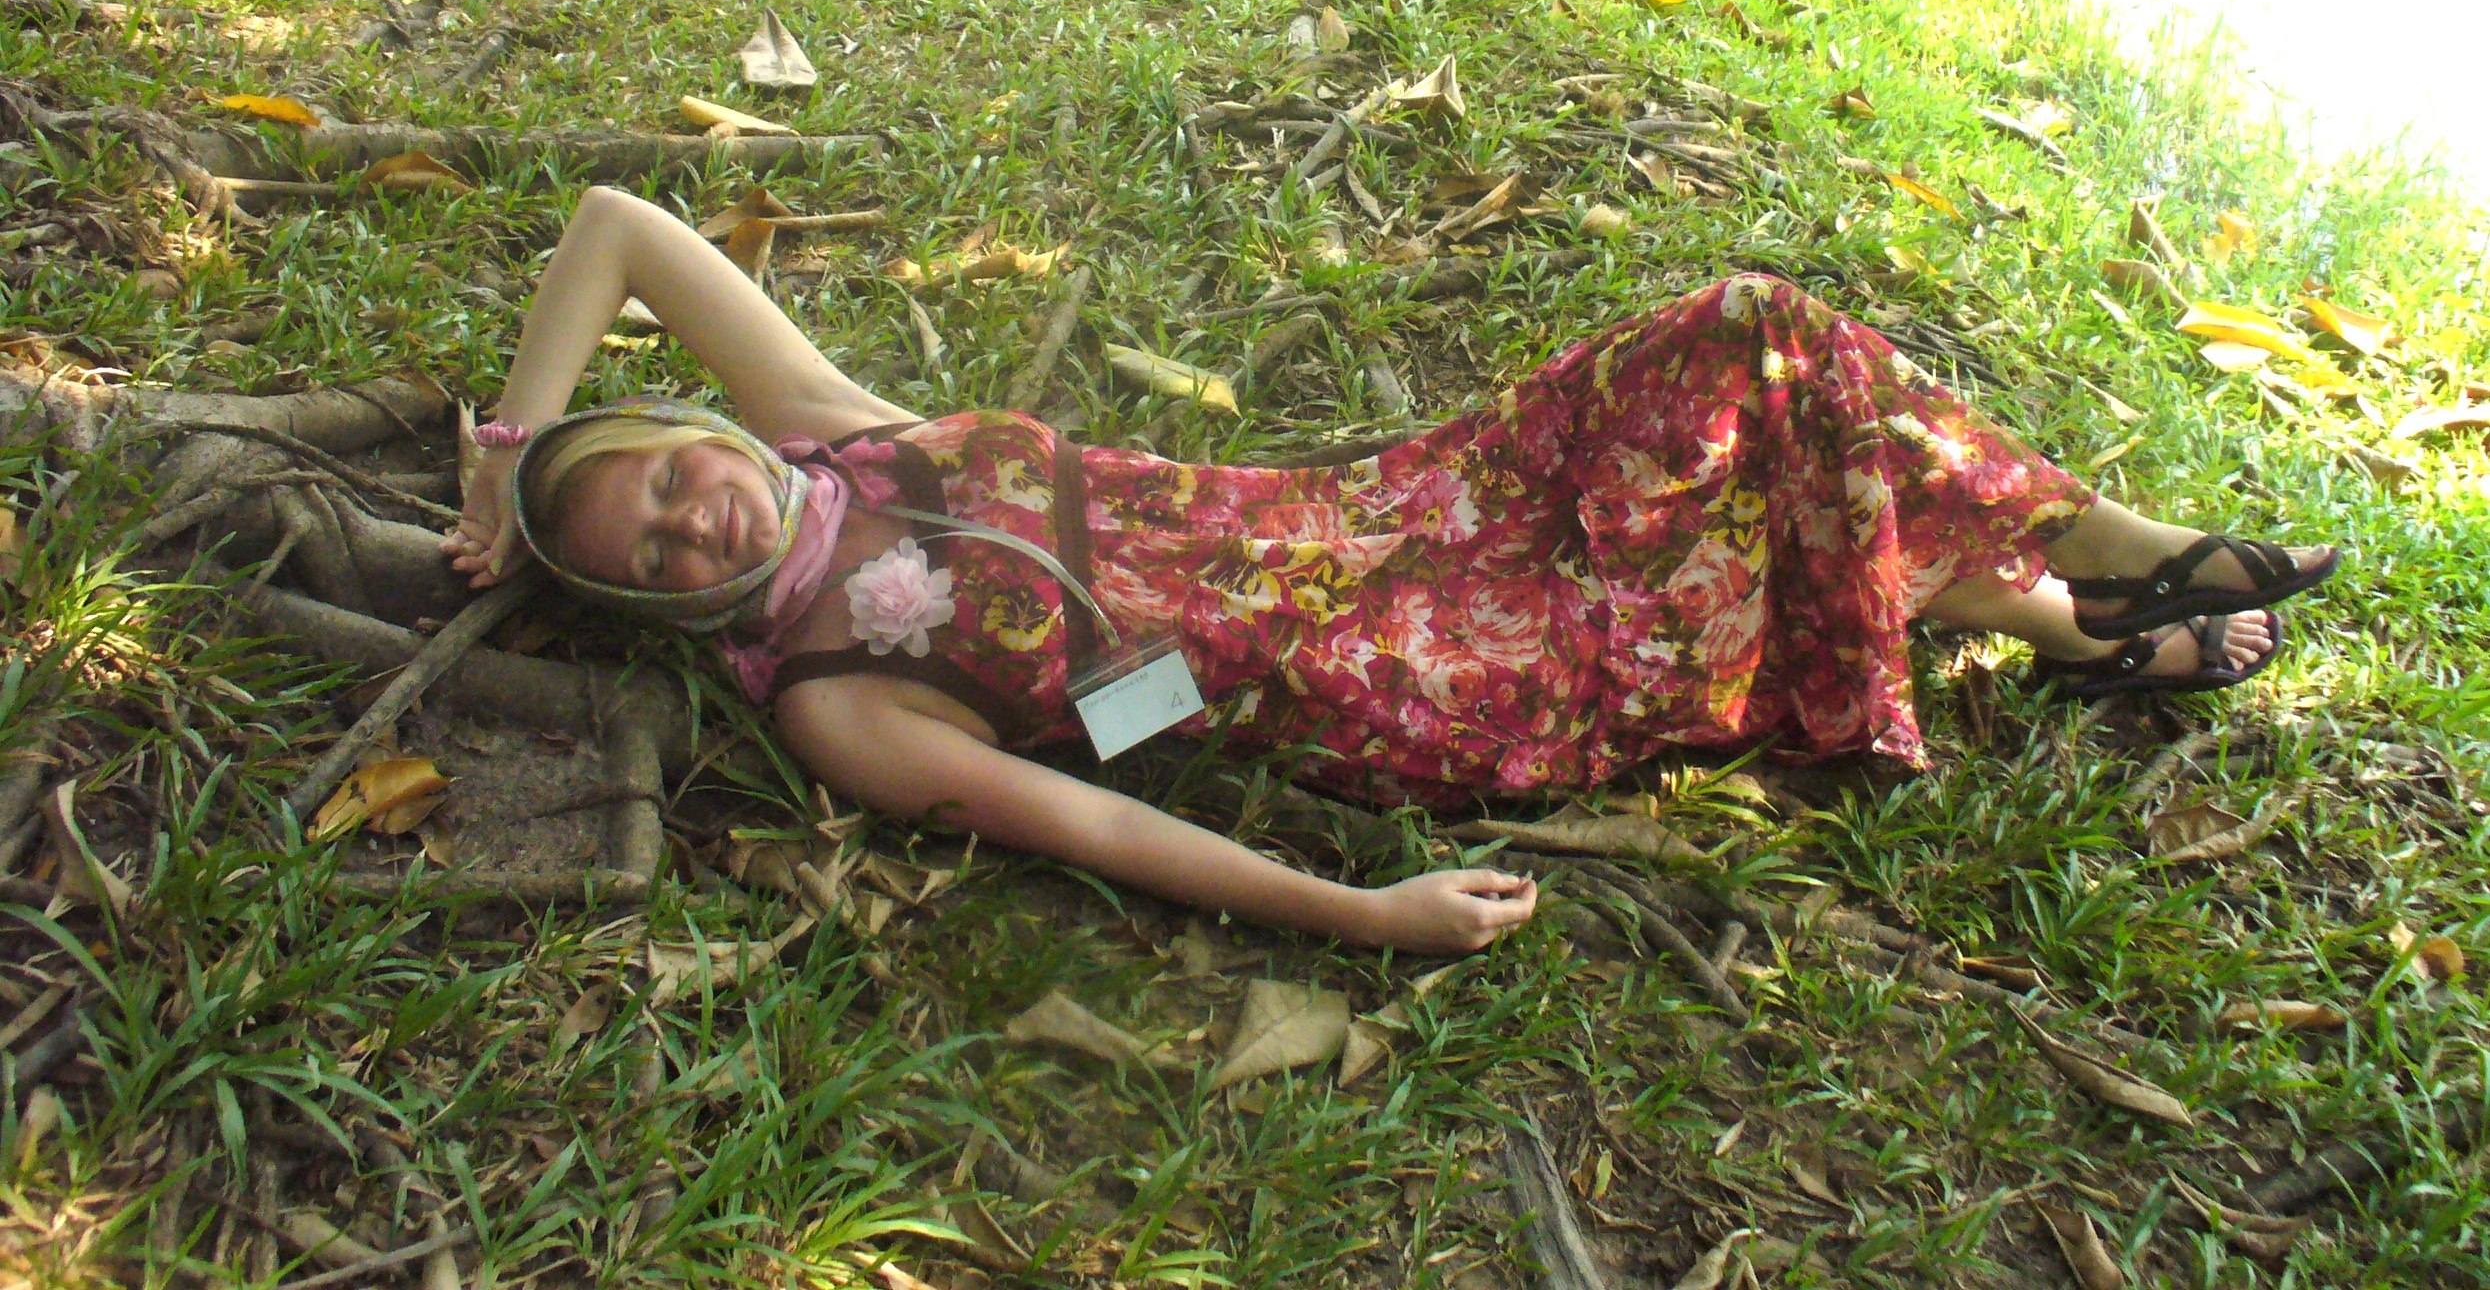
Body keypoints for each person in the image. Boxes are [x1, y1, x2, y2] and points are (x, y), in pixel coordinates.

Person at [441, 188, 2339, 955]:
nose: (693, 517)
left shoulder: (824, 429)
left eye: (662, 475)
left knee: (1749, 329)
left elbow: (615, 227)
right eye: (656, 557)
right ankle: (2084, 596)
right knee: (1723, 559)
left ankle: (2081, 571)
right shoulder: (838, 702)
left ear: (685, 428)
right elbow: (1091, 821)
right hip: (1406, 678)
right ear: (669, 610)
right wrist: (1361, 912)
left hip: (1397, 505)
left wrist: (513, 453)